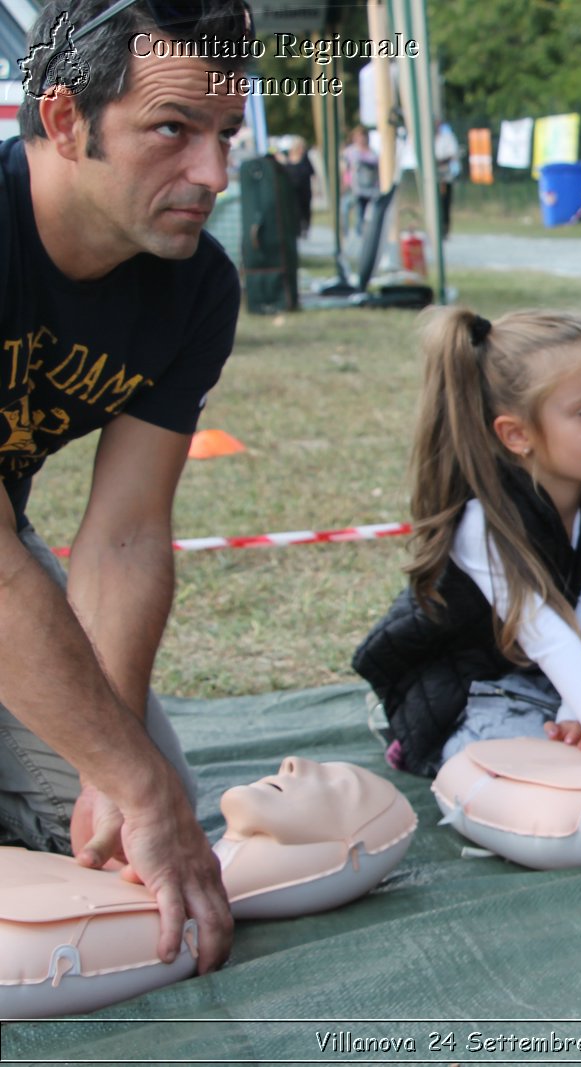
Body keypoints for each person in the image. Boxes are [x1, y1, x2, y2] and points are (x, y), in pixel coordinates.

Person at [0, 0, 255, 974]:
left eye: (224, 134)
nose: (214, 176)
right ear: (64, 120)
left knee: (132, 862)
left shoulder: (195, 287)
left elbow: (124, 538)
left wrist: (121, 779)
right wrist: (134, 782)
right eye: (171, 131)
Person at [354, 309, 581, 801]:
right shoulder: (479, 520)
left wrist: (579, 718)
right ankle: (404, 727)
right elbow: (545, 635)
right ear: (516, 434)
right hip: (470, 676)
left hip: (561, 663)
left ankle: (568, 725)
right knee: (514, 773)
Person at [341, 125, 380, 239]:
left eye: (363, 136)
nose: (362, 139)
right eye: (359, 137)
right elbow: (345, 169)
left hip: (371, 188)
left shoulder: (373, 153)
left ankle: (363, 234)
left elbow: (378, 170)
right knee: (355, 210)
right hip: (355, 187)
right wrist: (345, 183)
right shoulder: (350, 152)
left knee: (367, 213)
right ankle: (352, 233)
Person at [278, 134, 314, 239]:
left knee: (305, 210)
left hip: (305, 190)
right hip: (292, 191)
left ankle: (305, 229)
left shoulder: (305, 158)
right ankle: (297, 230)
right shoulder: (287, 159)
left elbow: (311, 172)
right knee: (295, 210)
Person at [434, 119, 459, 239]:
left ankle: (445, 229)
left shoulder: (447, 137)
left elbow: (452, 154)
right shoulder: (429, 138)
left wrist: (441, 162)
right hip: (432, 177)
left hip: (444, 175)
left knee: (445, 203)